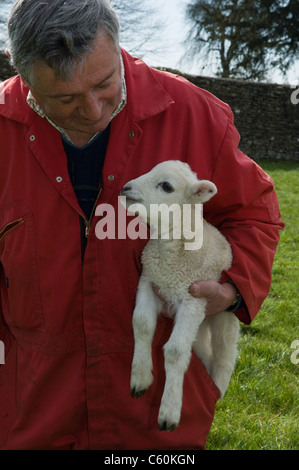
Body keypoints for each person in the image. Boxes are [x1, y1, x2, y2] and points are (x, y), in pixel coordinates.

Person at [0, 0, 283, 450]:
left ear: (117, 46)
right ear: (23, 74)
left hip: (156, 419)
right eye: (65, 99)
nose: (92, 110)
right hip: (32, 410)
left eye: (105, 83)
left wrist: (232, 288)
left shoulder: (193, 114)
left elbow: (254, 213)